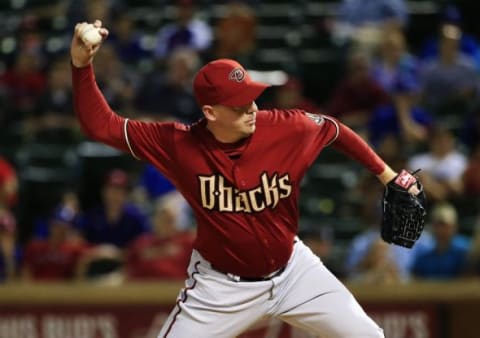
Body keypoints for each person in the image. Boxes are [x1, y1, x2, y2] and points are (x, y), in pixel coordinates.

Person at [70, 20, 422, 338]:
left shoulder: (285, 127)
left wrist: (387, 175)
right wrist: (82, 66)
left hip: (294, 272)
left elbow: (333, 130)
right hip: (220, 287)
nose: (252, 109)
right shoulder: (178, 144)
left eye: (251, 98)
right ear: (209, 112)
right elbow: (101, 125)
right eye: (239, 106)